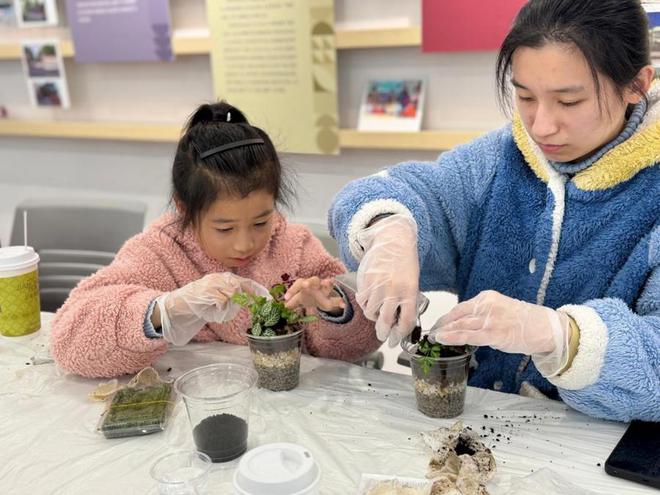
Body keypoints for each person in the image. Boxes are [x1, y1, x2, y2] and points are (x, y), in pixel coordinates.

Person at [328, 0, 658, 422]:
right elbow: (399, 190)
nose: (540, 126)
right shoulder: (501, 157)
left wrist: (562, 338)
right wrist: (389, 228)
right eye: (524, 96)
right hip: (478, 425)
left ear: (637, 85)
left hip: (595, 449)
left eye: (569, 101)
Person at [51, 102, 380, 378]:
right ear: (185, 208)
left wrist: (336, 309)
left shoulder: (294, 245)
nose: (244, 244)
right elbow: (69, 342)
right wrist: (164, 311)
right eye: (225, 228)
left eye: (261, 221)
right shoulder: (158, 250)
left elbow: (358, 343)